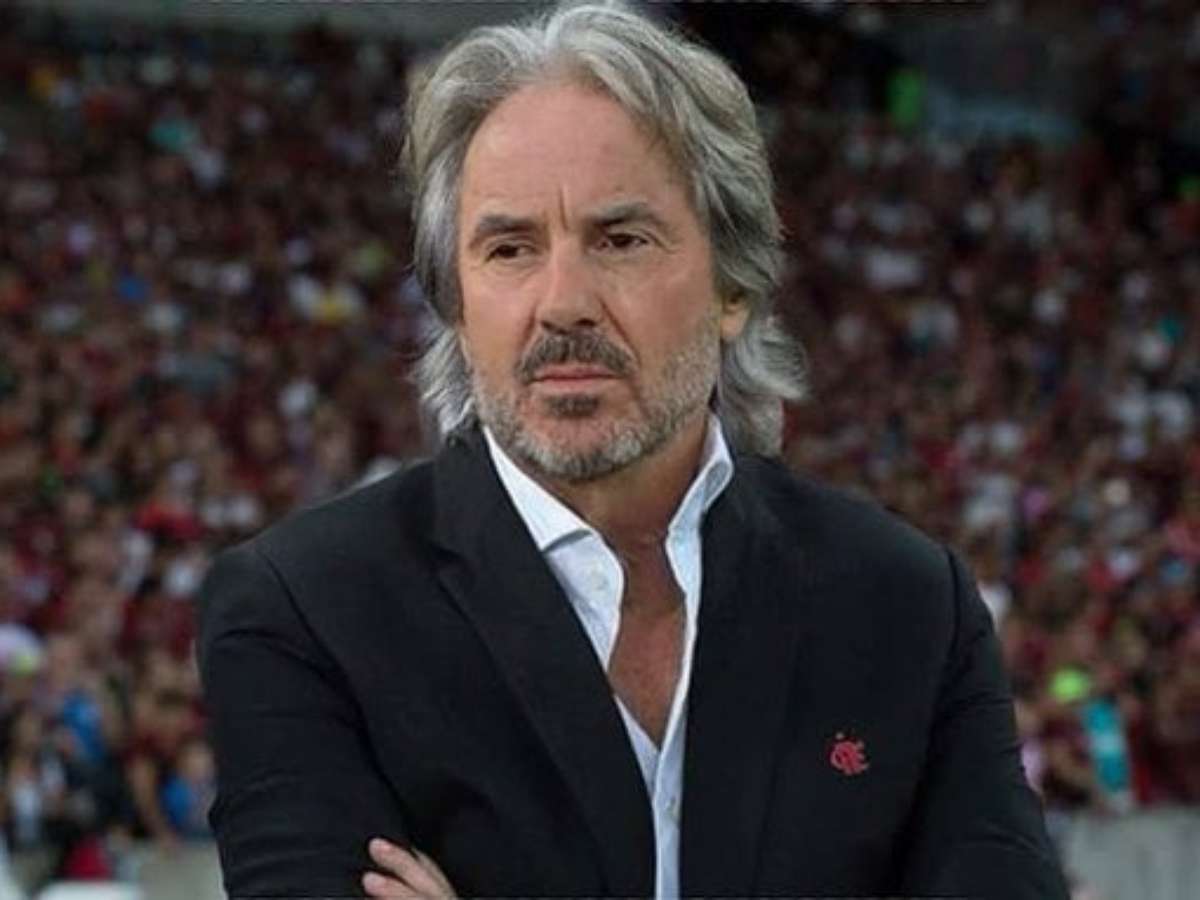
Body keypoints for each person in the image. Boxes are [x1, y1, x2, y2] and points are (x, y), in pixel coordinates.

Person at [196, 3, 1069, 898]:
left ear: (733, 284)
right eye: (510, 248)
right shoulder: (303, 611)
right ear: (454, 304)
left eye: (619, 240)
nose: (563, 302)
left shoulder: (909, 605)